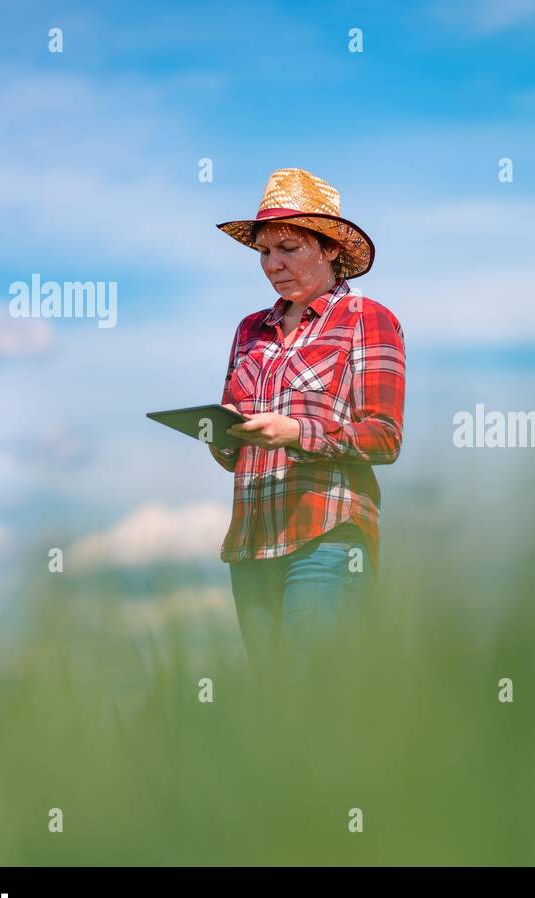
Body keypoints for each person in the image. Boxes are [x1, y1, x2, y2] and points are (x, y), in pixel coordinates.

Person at [209, 168, 405, 679]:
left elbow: (385, 437)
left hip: (328, 539)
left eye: (288, 248)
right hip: (250, 545)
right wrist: (217, 434)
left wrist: (299, 433)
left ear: (331, 249)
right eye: (264, 253)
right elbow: (230, 442)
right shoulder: (249, 331)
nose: (273, 265)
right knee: (270, 713)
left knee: (309, 697)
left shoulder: (368, 319)